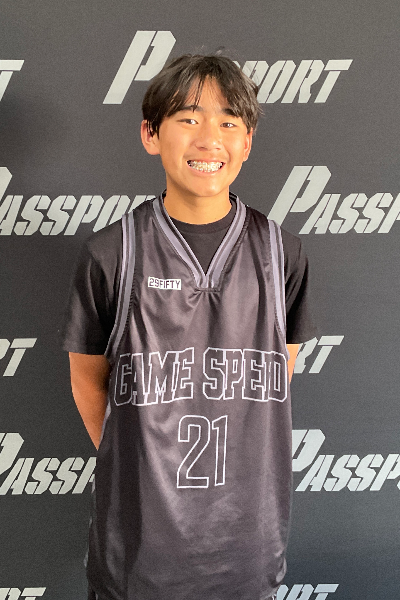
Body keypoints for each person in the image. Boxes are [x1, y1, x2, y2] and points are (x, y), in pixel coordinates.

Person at [62, 54, 317, 600]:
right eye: (188, 118)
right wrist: (139, 458)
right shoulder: (111, 252)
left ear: (247, 143)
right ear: (151, 134)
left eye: (228, 122)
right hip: (138, 557)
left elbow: (278, 373)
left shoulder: (283, 253)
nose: (209, 139)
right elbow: (88, 381)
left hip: (247, 551)